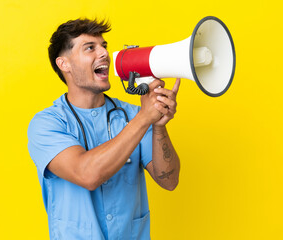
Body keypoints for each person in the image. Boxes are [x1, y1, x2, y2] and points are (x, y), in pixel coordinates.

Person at [27, 18, 181, 240]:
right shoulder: (48, 123)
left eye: (104, 46)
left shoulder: (132, 114)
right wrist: (145, 117)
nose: (104, 54)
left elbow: (169, 180)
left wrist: (157, 127)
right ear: (64, 64)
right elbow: (87, 174)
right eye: (90, 48)